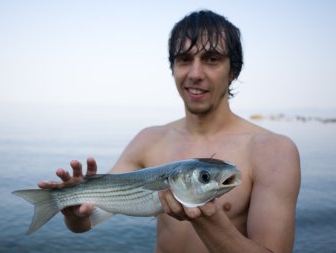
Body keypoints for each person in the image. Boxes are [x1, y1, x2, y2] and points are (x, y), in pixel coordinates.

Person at [39, 9, 300, 253]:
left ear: (233, 70)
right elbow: (87, 220)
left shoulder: (274, 150)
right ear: (173, 68)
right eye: (184, 59)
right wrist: (74, 212)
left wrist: (203, 216)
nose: (195, 73)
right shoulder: (148, 140)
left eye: (211, 59)